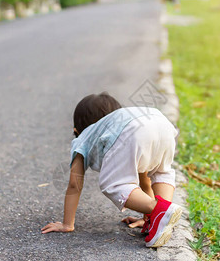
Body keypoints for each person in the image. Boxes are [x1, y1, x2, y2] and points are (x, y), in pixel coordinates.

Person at [41, 92, 182, 247]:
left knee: (114, 184)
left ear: (77, 130)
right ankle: (158, 218)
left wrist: (67, 224)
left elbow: (75, 184)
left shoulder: (84, 137)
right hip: (161, 122)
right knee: (160, 171)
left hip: (135, 129)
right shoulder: (119, 121)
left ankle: (159, 210)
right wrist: (146, 217)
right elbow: (145, 180)